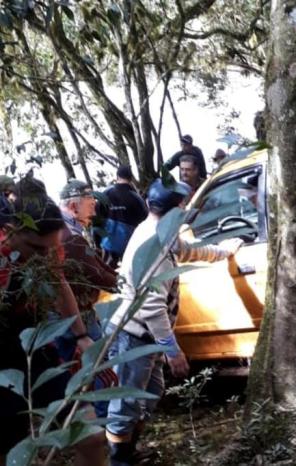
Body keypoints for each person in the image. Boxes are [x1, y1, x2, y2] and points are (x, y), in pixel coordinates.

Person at [105, 178, 242, 465]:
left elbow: (190, 250)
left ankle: (128, 451)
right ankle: (119, 460)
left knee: (150, 394)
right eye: (183, 206)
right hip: (133, 336)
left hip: (147, 338)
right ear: (176, 208)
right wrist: (172, 350)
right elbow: (153, 307)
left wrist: (224, 251)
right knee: (127, 403)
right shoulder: (154, 243)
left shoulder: (161, 232)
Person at [0, 178, 105, 465]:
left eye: (51, 249)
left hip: (35, 343)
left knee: (92, 437)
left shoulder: (50, 248)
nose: (46, 257)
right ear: (9, 232)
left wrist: (80, 335)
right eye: (37, 248)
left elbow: (58, 283)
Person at [58, 179, 119, 417]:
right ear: (74, 206)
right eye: (89, 200)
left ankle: (86, 419)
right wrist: (122, 282)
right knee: (98, 368)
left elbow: (95, 266)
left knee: (78, 370)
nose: (94, 205)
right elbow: (94, 272)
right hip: (77, 316)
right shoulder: (69, 236)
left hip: (70, 314)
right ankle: (101, 421)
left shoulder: (68, 229)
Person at [100, 166, 148, 268]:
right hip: (130, 245)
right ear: (131, 178)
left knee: (107, 273)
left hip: (108, 244)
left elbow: (96, 215)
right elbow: (146, 220)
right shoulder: (136, 197)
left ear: (117, 177)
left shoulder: (106, 194)